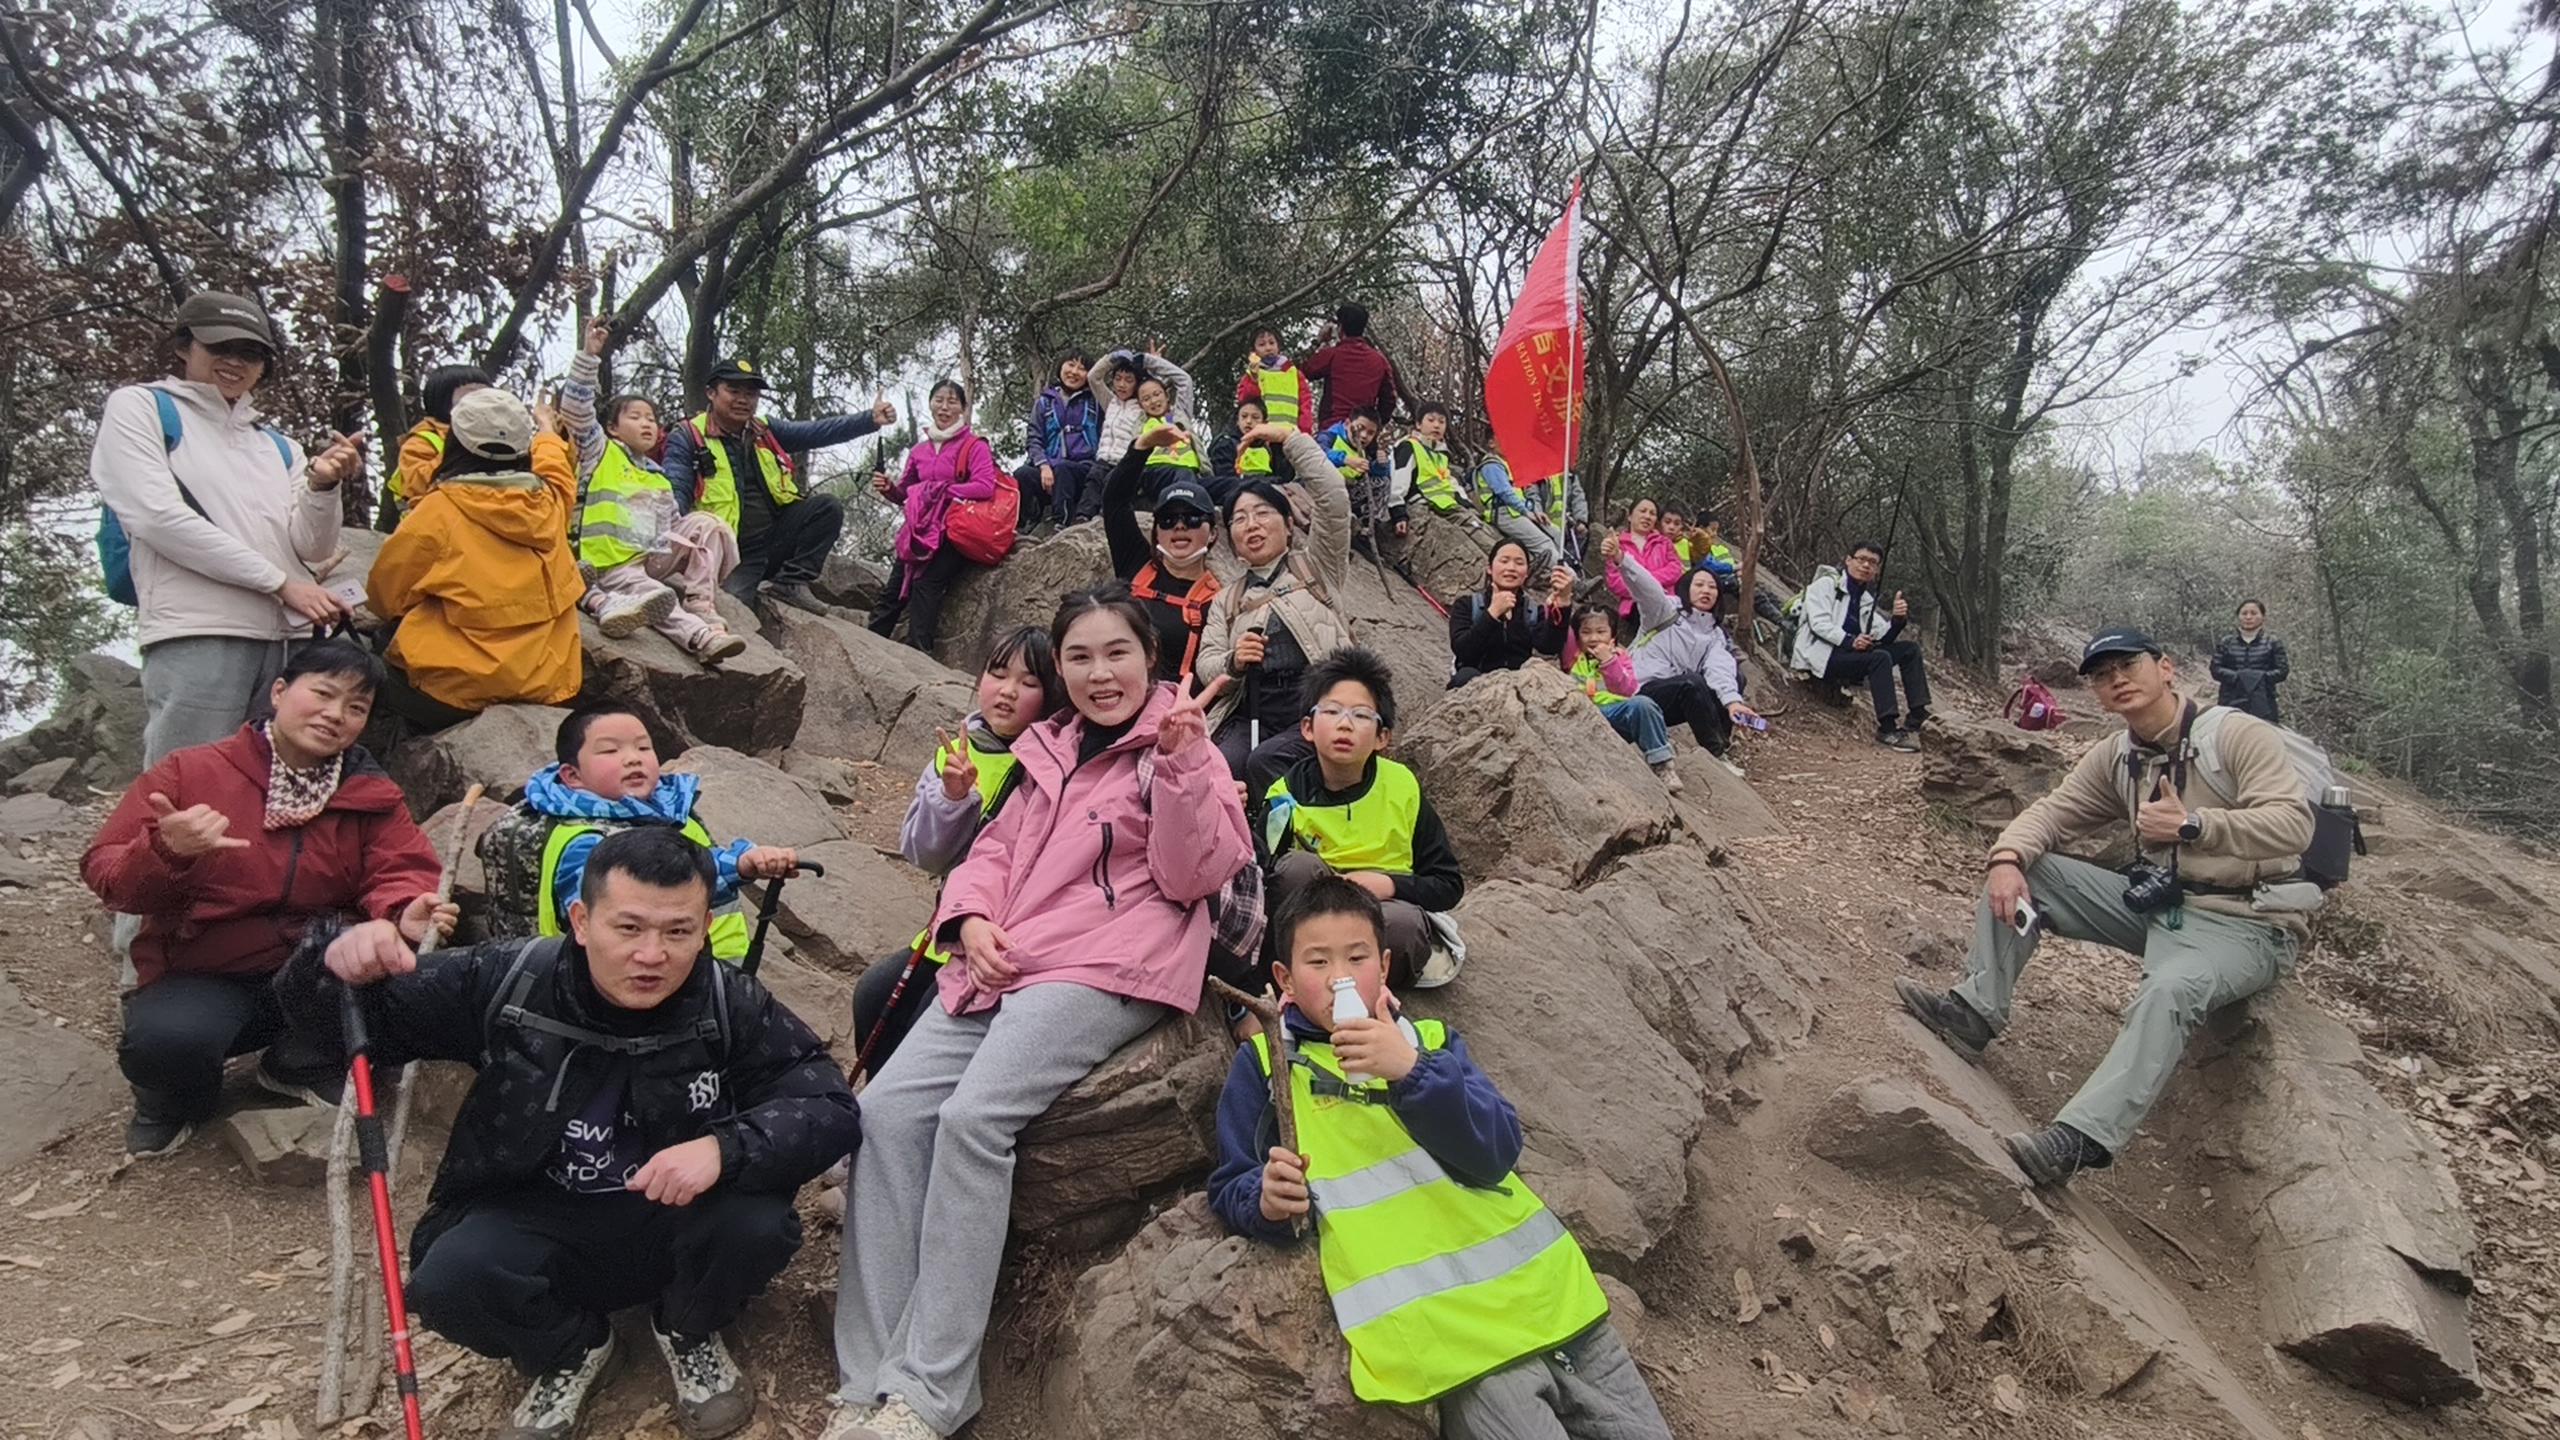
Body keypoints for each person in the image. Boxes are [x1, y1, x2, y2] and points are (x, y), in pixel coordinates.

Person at [827, 587, 1252, 1440]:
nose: (1101, 674)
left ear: (1152, 658)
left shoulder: (1186, 744)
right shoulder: (1049, 745)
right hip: (1007, 954)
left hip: (1110, 960)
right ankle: (866, 1379)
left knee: (974, 1121)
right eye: (1080, 657)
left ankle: (929, 1391)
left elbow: (1191, 878)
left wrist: (1180, 766)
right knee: (887, 1113)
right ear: (1062, 668)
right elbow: (990, 852)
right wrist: (970, 921)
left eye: (1117, 653)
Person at [276, 826, 859, 1440]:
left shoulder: (726, 999)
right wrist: (330, 958)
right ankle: (573, 1348)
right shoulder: (511, 977)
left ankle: (688, 1326)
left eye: (678, 932)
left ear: (704, 929)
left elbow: (828, 1105)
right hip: (538, 1211)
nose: (652, 954)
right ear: (581, 921)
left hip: (678, 1211)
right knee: (449, 1281)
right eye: (628, 928)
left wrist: (724, 1147)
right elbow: (342, 1024)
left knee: (757, 1224)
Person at [1206, 876, 1671, 1440]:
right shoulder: (1265, 1064)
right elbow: (1231, 1182)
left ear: (1384, 965)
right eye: (1318, 962)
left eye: (1356, 958)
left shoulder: (1427, 1040)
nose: (1338, 978)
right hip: (1448, 1342)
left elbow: (1496, 1150)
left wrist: (1412, 1072)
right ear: (1284, 979)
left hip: (1547, 1298)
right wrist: (1266, 1200)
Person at [1896, 629, 2318, 1187]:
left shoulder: (2235, 735)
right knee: (2033, 872)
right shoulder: (2119, 755)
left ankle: (2080, 1139)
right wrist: (2006, 858)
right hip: (2163, 902)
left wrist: (2195, 824)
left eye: (2128, 665)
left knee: (2171, 988)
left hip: (2246, 921)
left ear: (2165, 668)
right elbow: (2052, 813)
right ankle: (1974, 1011)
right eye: (2101, 674)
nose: (2117, 679)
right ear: (2095, 692)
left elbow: (2294, 824)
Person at [81, 640, 445, 1156]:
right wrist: (166, 851)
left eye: (356, 707)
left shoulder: (369, 790)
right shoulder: (192, 771)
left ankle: (299, 1062)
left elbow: (400, 867)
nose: (335, 714)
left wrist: (403, 909)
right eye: (323, 693)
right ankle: (175, 1098)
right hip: (206, 970)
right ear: (278, 692)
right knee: (167, 1043)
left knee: (402, 980)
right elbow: (107, 874)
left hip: (314, 966)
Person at [90, 290, 361, 767]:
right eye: (220, 347)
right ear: (184, 346)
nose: (235, 362)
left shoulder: (278, 447)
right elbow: (157, 517)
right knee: (190, 782)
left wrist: (323, 487)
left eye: (251, 353)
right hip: (201, 629)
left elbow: (313, 548)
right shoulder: (142, 407)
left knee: (276, 786)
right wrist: (280, 584)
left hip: (289, 639)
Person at [855, 628, 1067, 1072]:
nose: (1007, 691)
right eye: (997, 673)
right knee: (873, 996)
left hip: (1000, 942)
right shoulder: (955, 753)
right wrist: (952, 798)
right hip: (946, 929)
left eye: (1029, 682)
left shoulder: (1055, 762)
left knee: (921, 1023)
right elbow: (924, 856)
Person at [475, 704, 802, 967]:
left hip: (709, 975)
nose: (633, 757)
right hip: (632, 983)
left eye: (643, 747)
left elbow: (697, 864)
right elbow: (635, 903)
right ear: (572, 776)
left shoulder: (672, 812)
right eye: (610, 751)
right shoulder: (583, 841)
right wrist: (737, 868)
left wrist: (741, 860)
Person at [366, 389, 585, 724]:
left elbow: (385, 597)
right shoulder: (552, 500)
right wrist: (546, 427)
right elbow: (554, 464)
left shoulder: (437, 511)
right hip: (547, 684)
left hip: (451, 691)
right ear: (523, 446)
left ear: (455, 442)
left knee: (370, 655)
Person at [1262, 649, 1464, 989]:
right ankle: (1293, 983)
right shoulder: (1285, 795)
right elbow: (1265, 879)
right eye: (1332, 711)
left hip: (1383, 912)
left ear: (1382, 737)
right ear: (1308, 727)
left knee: (1403, 927)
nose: (1345, 724)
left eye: (1361, 715)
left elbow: (1447, 884)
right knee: (1295, 867)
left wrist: (1388, 884)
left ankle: (1363, 993)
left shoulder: (1401, 786)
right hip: (1313, 919)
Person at [560, 319, 747, 662]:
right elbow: (575, 411)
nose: (646, 423)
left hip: (649, 556)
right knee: (656, 595)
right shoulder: (599, 452)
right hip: (608, 562)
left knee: (709, 524)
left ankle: (700, 603)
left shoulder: (657, 475)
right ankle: (701, 638)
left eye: (651, 418)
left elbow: (672, 526)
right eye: (635, 417)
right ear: (612, 428)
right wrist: (589, 355)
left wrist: (698, 547)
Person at [663, 356, 894, 613]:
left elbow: (816, 431)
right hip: (729, 552)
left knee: (827, 507)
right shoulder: (688, 436)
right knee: (734, 609)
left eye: (751, 394)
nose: (743, 399)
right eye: (734, 391)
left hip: (774, 538)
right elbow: (676, 489)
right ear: (711, 392)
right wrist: (666, 541)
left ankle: (790, 583)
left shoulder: (764, 430)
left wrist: (869, 419)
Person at [1197, 424, 1356, 795]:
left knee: (1265, 761)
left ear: (1288, 525)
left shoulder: (1318, 567)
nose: (1251, 525)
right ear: (1231, 539)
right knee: (1217, 768)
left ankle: (1293, 828)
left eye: (1262, 512)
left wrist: (1290, 439)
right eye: (1239, 519)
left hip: (1319, 706)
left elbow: (1333, 498)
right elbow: (1208, 662)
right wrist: (1234, 660)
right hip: (1252, 711)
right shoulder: (1227, 599)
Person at [1605, 529, 1761, 772]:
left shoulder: (1714, 634)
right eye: (1699, 585)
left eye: (1712, 587)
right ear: (1686, 588)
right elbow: (1648, 589)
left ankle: (1722, 747)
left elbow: (1719, 668)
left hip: (1676, 699)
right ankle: (1716, 754)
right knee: (1692, 682)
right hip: (1643, 690)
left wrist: (1733, 703)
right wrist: (1622, 559)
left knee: (1735, 676)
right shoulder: (1664, 611)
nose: (1706, 591)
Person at [868, 379, 1001, 654]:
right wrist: (889, 488)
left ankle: (919, 656)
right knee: (893, 590)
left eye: (952, 401)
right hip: (919, 532)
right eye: (939, 400)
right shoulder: (919, 451)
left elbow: (985, 486)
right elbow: (905, 493)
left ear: (963, 408)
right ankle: (866, 648)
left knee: (926, 583)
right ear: (930, 404)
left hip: (954, 531)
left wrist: (939, 490)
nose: (944, 407)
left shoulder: (974, 446)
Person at [1101, 435, 1225, 682]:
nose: (1179, 526)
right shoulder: (1135, 565)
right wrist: (1141, 448)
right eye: (1168, 520)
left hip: (1180, 703)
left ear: (1213, 533)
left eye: (1192, 518)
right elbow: (1115, 501)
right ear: (1156, 531)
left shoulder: (1221, 601)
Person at [1789, 540, 1931, 752]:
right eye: (1861, 559)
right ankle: (1887, 728)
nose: (1866, 566)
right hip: (1822, 656)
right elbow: (1818, 624)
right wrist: (1850, 640)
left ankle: (1918, 715)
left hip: (1850, 656)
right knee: (1880, 658)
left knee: (1909, 650)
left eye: (1872, 562)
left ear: (1877, 570)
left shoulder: (1864, 598)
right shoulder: (1825, 585)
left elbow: (1882, 636)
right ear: (1848, 560)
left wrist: (1897, 620)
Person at [1569, 607, 1682, 793]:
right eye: (1586, 632)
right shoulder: (1575, 660)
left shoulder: (1620, 658)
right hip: (1588, 718)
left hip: (1618, 715)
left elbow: (1626, 690)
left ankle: (1662, 765)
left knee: (1643, 704)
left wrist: (1608, 662)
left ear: (1612, 635)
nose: (1594, 638)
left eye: (1601, 632)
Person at [1448, 540, 1571, 687]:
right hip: (1475, 685)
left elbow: (1550, 647)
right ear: (1490, 568)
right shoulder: (1467, 605)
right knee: (1466, 676)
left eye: (1519, 563)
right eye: (1504, 561)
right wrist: (1492, 614)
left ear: (1526, 573)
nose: (1511, 568)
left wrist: (1563, 604)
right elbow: (1463, 650)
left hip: (1516, 686)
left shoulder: (1531, 611)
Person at [382, 363, 494, 524]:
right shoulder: (423, 440)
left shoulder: (502, 436)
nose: (481, 401)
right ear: (443, 399)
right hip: (435, 523)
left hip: (486, 517)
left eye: (486, 394)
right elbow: (417, 485)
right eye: (471, 393)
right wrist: (460, 447)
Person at [1016, 350, 1103, 531]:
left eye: (1082, 368)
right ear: (1061, 367)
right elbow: (1034, 437)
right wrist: (1043, 465)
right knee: (1022, 474)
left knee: (1064, 469)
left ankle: (1061, 522)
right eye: (1071, 365)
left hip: (1083, 469)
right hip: (1049, 471)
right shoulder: (1045, 401)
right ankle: (1028, 521)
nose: (1074, 372)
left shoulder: (1096, 401)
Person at [1299, 302, 1415, 429]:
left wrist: (1317, 342)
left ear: (1340, 328)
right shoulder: (1380, 361)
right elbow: (1389, 400)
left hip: (1333, 428)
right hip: (1363, 430)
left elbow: (1302, 371)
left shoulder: (1332, 355)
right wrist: (1374, 424)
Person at [1091, 348, 1196, 476]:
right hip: (1105, 464)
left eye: (1129, 380)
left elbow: (1181, 381)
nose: (1122, 384)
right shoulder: (1112, 403)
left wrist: (1150, 362)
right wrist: (1111, 358)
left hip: (1127, 468)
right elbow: (1093, 378)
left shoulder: (1175, 414)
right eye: (1117, 379)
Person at [1475, 452, 1563, 575]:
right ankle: (1563, 578)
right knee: (1544, 544)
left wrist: (1535, 511)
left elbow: (1519, 495)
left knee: (1556, 533)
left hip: (1517, 512)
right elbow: (1504, 493)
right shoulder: (1491, 465)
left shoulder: (1508, 464)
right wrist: (1526, 512)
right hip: (1504, 513)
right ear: (1491, 444)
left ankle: (1568, 572)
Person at [1600, 499, 1684, 626]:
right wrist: (1647, 587)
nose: (1647, 516)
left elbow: (1675, 569)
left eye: (1652, 513)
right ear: (1630, 516)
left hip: (1667, 601)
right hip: (1634, 606)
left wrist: (1644, 581)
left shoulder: (1664, 543)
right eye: (1643, 511)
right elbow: (1615, 582)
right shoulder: (1618, 545)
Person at [2211, 600, 2289, 724]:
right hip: (2230, 700)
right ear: (2238, 616)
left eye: (2253, 613)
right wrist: (2237, 678)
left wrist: (2259, 679)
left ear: (2263, 617)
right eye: (2244, 613)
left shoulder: (2272, 642)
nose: (2248, 617)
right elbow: (2215, 669)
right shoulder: (2226, 642)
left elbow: (2282, 671)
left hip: (2264, 702)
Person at [1390, 401, 1465, 520]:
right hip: (1422, 506)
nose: (1436, 425)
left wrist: (1466, 503)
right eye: (1431, 420)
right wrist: (1398, 513)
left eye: (1441, 422)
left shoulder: (1441, 454)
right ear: (1418, 424)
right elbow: (1399, 479)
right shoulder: (1408, 446)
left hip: (1448, 506)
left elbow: (1451, 483)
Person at [1236, 325, 1315, 434]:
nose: (1268, 348)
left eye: (1272, 343)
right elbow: (1245, 403)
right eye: (1262, 344)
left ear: (1278, 346)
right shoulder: (1250, 376)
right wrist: (1254, 380)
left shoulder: (1294, 373)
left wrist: (1305, 431)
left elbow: (1305, 405)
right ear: (1254, 351)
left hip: (1291, 434)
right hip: (1262, 435)